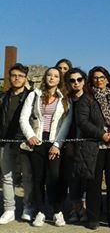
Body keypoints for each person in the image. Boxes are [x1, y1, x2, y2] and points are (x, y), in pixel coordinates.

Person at [75, 66, 110, 230]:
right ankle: (93, 217)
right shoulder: (86, 98)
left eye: (102, 77)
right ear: (91, 80)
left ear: (107, 78)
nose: (99, 80)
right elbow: (82, 121)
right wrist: (101, 134)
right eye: (95, 78)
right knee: (94, 183)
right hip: (94, 145)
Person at [19, 67, 72, 227]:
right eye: (49, 75)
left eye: (55, 76)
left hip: (54, 143)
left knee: (54, 178)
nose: (52, 78)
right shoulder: (34, 95)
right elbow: (24, 117)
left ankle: (57, 211)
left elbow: (66, 123)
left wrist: (57, 144)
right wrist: (30, 136)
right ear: (45, 77)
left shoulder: (64, 98)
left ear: (59, 80)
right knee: (38, 178)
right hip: (37, 142)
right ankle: (40, 211)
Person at [0, 63, 34, 224]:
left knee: (27, 176)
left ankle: (28, 207)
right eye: (14, 75)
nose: (17, 78)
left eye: (20, 75)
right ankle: (9, 210)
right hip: (5, 141)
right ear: (9, 77)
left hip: (24, 142)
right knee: (7, 177)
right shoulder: (3, 97)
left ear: (25, 78)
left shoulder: (32, 97)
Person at [60, 68, 88, 223]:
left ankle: (83, 208)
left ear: (84, 81)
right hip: (70, 143)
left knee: (85, 178)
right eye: (72, 80)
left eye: (79, 79)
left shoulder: (90, 99)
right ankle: (74, 208)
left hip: (87, 144)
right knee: (73, 178)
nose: (76, 83)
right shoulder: (65, 100)